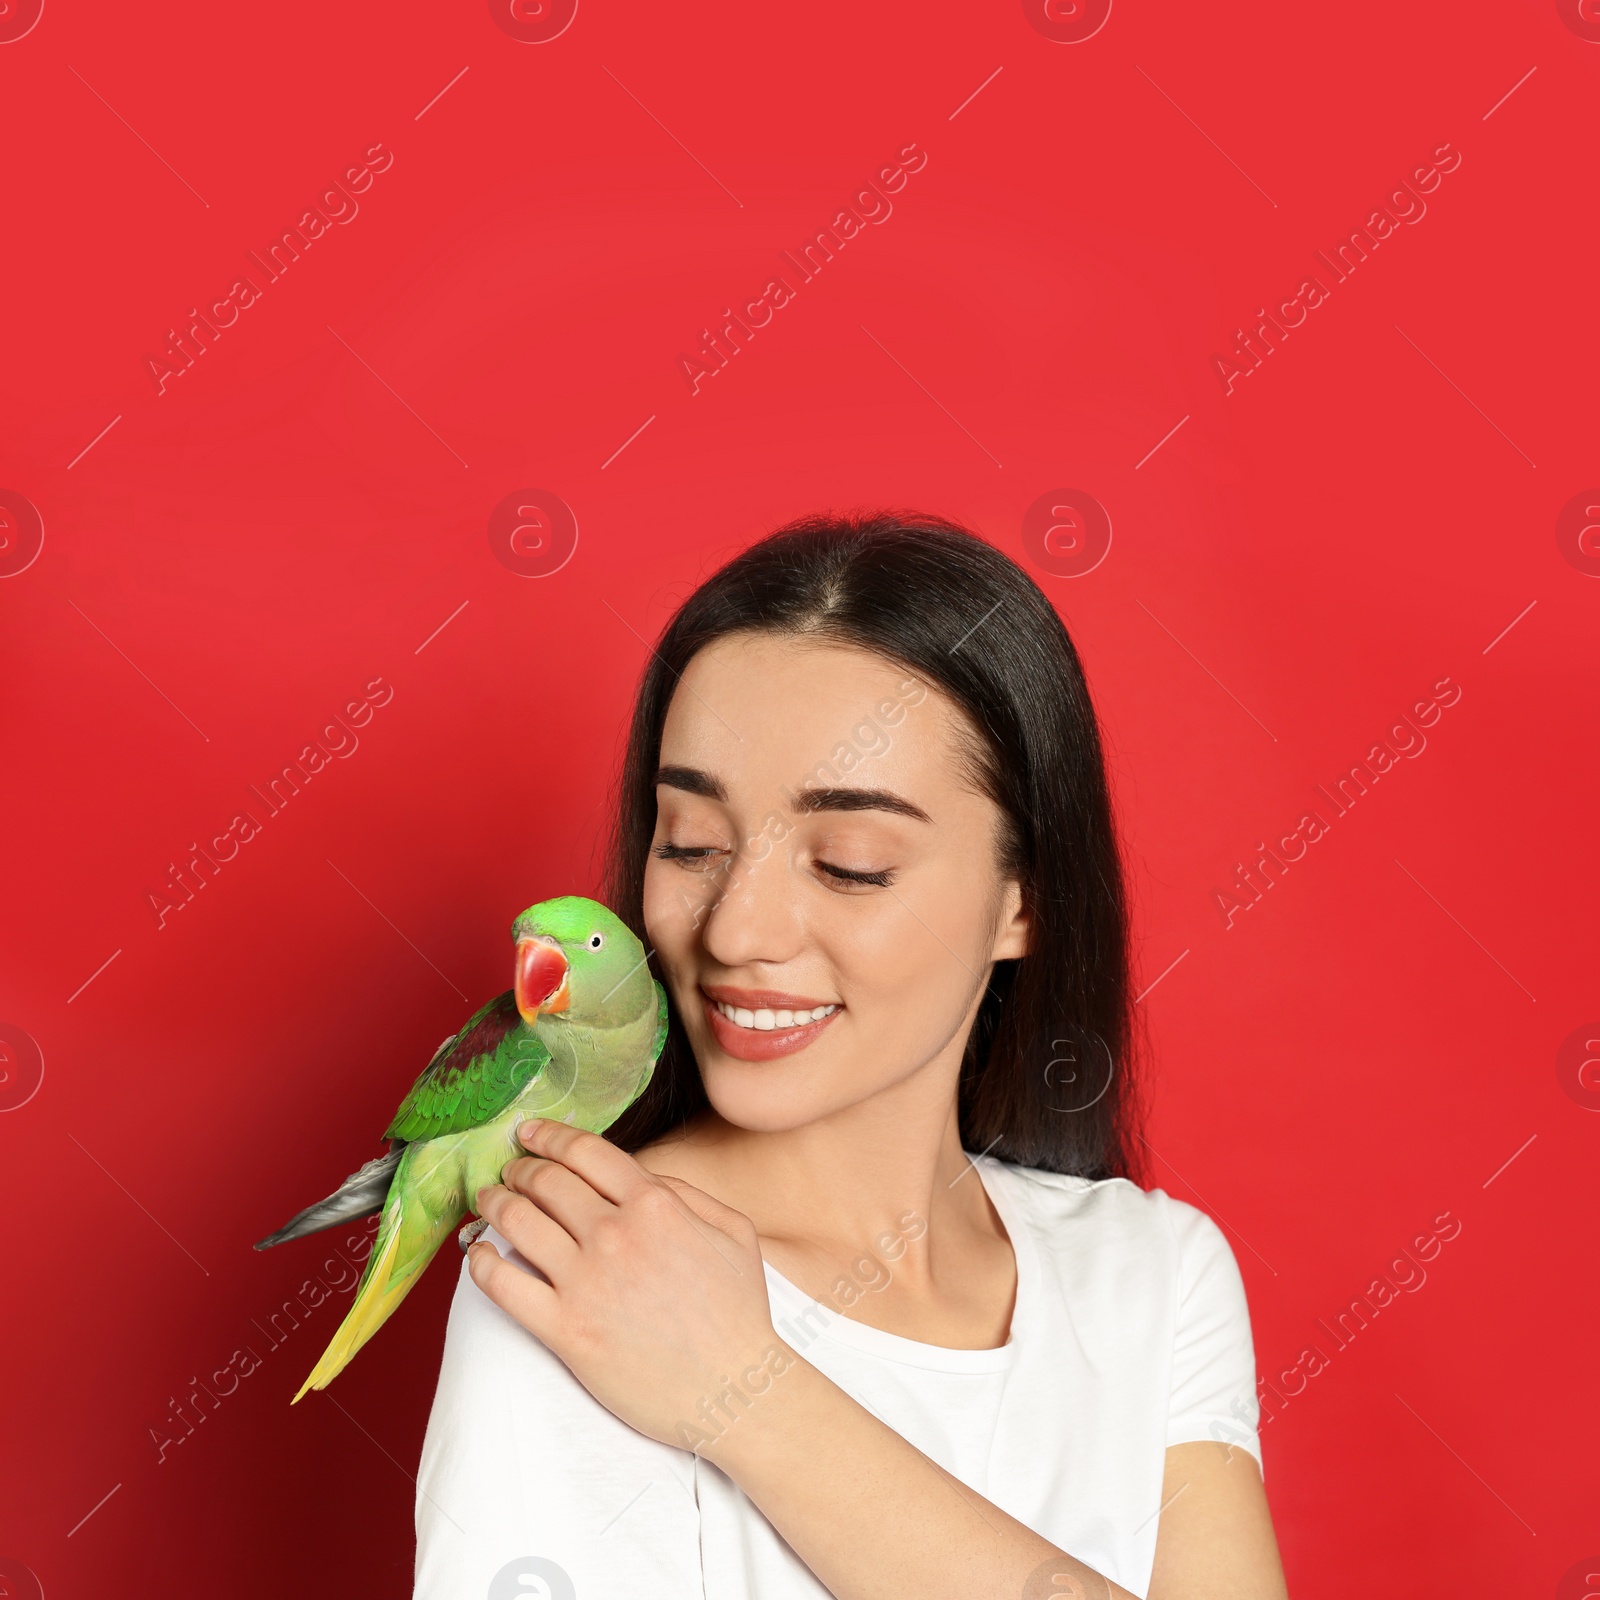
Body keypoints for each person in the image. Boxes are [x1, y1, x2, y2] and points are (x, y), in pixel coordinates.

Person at [413, 511, 1289, 1599]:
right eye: (689, 843)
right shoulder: (580, 1263)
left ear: (1027, 902)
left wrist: (749, 1389)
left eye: (850, 863)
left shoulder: (1150, 1275)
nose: (734, 931)